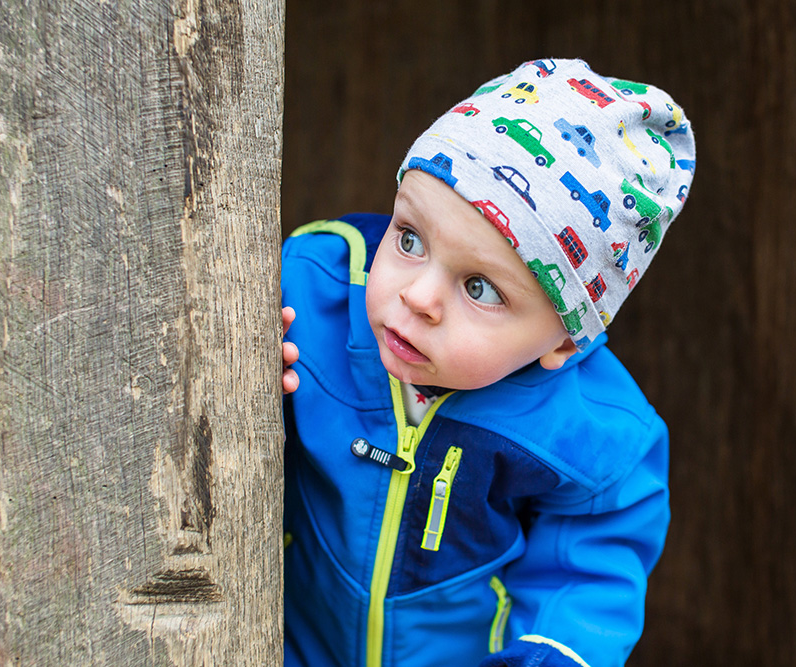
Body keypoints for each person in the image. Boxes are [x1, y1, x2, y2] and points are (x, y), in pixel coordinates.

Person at [279, 58, 695, 667]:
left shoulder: (590, 433)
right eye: (410, 238)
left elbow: (589, 573)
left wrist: (553, 653)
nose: (417, 297)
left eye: (479, 288)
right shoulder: (310, 294)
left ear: (564, 342)